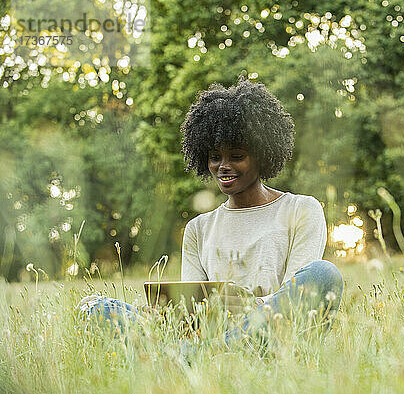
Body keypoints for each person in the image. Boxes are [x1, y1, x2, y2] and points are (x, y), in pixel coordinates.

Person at [79, 76, 344, 349]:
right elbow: (190, 310)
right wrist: (168, 316)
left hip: (271, 334)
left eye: (237, 156)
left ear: (263, 154)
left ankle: (197, 356)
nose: (223, 166)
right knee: (95, 307)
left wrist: (252, 306)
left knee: (324, 274)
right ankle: (203, 353)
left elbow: (300, 294)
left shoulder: (301, 209)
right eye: (215, 157)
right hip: (210, 334)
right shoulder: (198, 229)